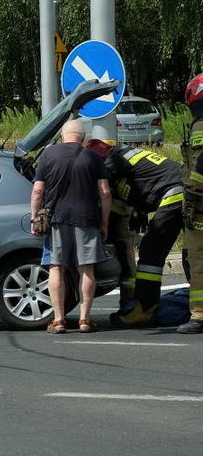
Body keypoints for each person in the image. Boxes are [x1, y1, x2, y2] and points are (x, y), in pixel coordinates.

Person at [82, 139, 184, 327]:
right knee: (192, 254)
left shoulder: (113, 162)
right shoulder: (124, 158)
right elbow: (137, 189)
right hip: (184, 191)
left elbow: (99, 190)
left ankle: (145, 309)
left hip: (176, 193)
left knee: (151, 250)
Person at [30, 119, 111, 334]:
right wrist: (104, 222)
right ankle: (85, 320)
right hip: (87, 219)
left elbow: (38, 191)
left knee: (56, 268)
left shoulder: (48, 154)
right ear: (83, 138)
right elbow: (104, 192)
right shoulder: (93, 156)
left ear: (62, 136)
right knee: (86, 269)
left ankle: (58, 320)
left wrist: (34, 218)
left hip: (56, 219)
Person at [180, 73, 203, 334]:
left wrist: (191, 197)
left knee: (197, 257)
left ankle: (199, 316)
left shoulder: (200, 126)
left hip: (201, 205)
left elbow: (200, 166)